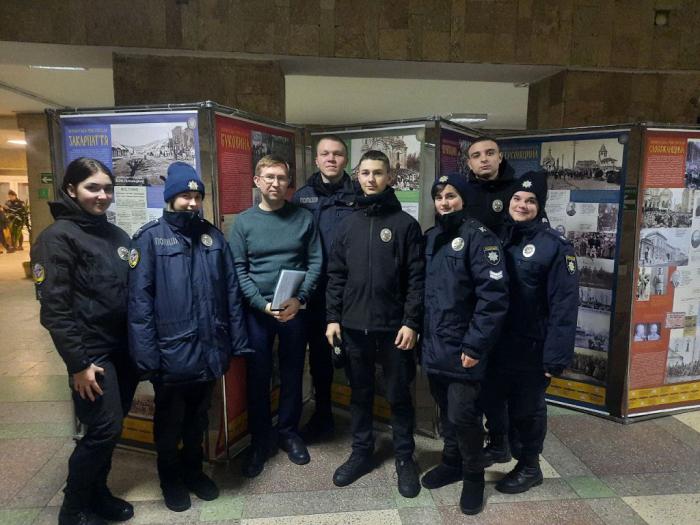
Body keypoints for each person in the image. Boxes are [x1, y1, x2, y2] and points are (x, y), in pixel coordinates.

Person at [129, 162, 251, 512]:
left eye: (197, 197)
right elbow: (139, 303)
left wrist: (236, 342)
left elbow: (231, 293)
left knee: (198, 419)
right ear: (170, 198)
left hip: (209, 350)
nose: (192, 203)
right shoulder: (149, 239)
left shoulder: (213, 238)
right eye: (185, 195)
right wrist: (146, 358)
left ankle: (194, 471)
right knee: (170, 423)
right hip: (171, 354)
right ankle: (170, 478)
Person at [31, 157, 138, 525]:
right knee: (104, 428)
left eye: (107, 188)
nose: (102, 195)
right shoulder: (56, 238)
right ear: (71, 189)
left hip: (123, 350)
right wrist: (78, 364)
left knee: (112, 428)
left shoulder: (116, 236)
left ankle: (98, 493)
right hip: (91, 354)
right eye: (93, 187)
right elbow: (55, 310)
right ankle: (73, 507)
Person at [325, 150, 425, 498]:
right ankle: (361, 452)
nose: (371, 179)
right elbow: (336, 276)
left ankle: (404, 458)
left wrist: (411, 322)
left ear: (390, 177)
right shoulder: (347, 224)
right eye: (365, 173)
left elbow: (416, 280)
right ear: (358, 176)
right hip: (354, 326)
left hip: (395, 328)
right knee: (360, 394)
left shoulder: (405, 225)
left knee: (398, 395)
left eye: (378, 173)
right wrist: (332, 317)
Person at [482, 172, 579, 494]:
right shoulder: (498, 238)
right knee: (492, 399)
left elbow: (565, 306)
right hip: (497, 343)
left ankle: (529, 465)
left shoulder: (556, 247)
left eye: (530, 200)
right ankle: (498, 446)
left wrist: (555, 357)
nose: (522, 205)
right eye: (517, 199)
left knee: (527, 410)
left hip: (531, 348)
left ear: (540, 206)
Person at [420, 173, 509, 514]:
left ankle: (473, 477)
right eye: (439, 197)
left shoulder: (480, 239)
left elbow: (493, 299)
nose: (444, 202)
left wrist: (474, 347)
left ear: (464, 199)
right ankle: (451, 462)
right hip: (434, 346)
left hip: (463, 350)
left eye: (451, 195)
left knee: (464, 416)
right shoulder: (432, 238)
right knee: (446, 411)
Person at [229, 155, 322, 477]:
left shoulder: (303, 218)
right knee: (258, 377)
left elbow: (315, 262)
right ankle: (260, 439)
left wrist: (300, 299)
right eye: (269, 177)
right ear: (256, 181)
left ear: (288, 183)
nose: (275, 183)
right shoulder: (243, 223)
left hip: (294, 309)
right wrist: (261, 304)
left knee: (293, 372)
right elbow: (238, 270)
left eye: (281, 178)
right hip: (258, 312)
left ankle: (288, 432)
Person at [292, 135, 358, 442]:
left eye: (337, 154)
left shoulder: (359, 194)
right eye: (325, 154)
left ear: (346, 159)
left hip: (351, 290)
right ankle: (323, 415)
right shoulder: (302, 197)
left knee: (355, 355)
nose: (331, 159)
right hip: (316, 292)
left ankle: (360, 420)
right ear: (316, 159)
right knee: (319, 357)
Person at [463, 136, 517, 237]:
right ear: (469, 163)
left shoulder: (519, 189)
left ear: (500, 157)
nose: (484, 159)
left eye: (490, 153)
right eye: (476, 156)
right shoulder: (461, 192)